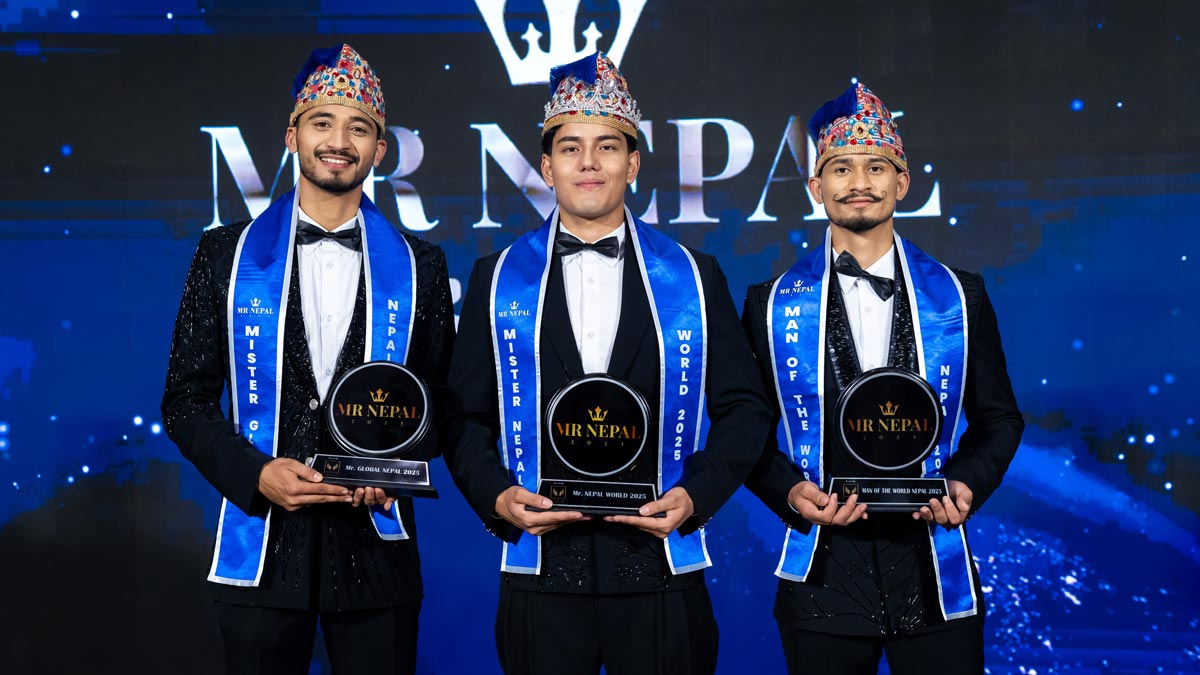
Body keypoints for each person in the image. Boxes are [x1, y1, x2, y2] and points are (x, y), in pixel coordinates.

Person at [443, 51, 771, 675]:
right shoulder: (497, 277)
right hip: (542, 575)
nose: (589, 162)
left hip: (660, 572)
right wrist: (497, 496)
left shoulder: (694, 276)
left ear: (633, 163)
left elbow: (745, 409)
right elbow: (463, 416)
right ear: (547, 166)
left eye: (607, 147)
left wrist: (695, 496)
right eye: (570, 148)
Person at [161, 44, 453, 675]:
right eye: (323, 122)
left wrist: (395, 466)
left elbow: (439, 403)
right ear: (292, 136)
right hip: (263, 546)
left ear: (380, 150)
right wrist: (254, 473)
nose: (339, 142)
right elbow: (185, 401)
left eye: (359, 129)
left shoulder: (421, 265)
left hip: (376, 552)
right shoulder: (224, 256)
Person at [742, 82, 1024, 674]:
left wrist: (967, 483)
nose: (859, 182)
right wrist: (790, 493)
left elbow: (999, 418)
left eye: (876, 167)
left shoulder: (961, 295)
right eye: (841, 168)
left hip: (933, 569)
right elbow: (744, 430)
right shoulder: (768, 305)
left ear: (902, 183)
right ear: (816, 187)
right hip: (823, 575)